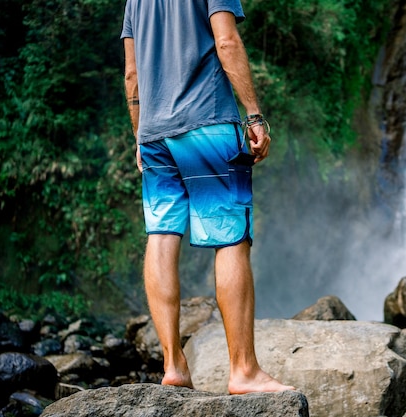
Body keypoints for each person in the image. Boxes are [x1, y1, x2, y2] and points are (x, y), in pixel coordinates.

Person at [121, 0, 294, 394]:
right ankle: (243, 370)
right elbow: (227, 41)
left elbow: (132, 74)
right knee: (231, 237)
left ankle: (173, 366)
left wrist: (139, 134)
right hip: (207, 121)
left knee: (162, 235)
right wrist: (253, 114)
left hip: (153, 134)